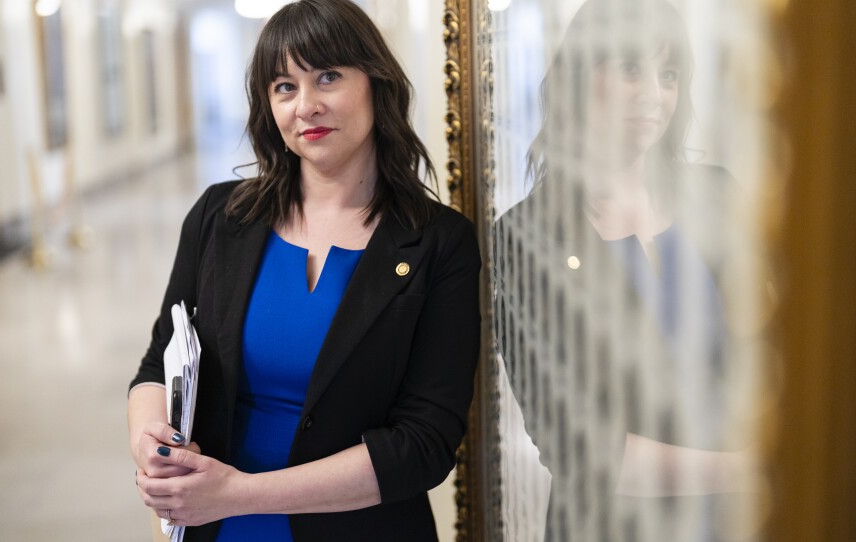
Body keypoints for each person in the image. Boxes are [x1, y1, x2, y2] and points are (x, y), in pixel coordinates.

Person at [127, 1, 481, 540]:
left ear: (376, 84)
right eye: (284, 87)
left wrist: (236, 493)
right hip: (216, 527)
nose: (306, 105)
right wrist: (152, 449)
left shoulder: (440, 243)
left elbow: (424, 443)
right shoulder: (221, 218)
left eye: (328, 77)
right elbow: (160, 358)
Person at [494, 0, 756, 539]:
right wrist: (750, 470)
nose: (652, 95)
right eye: (631, 68)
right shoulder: (527, 236)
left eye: (668, 75)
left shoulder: (716, 194)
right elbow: (584, 451)